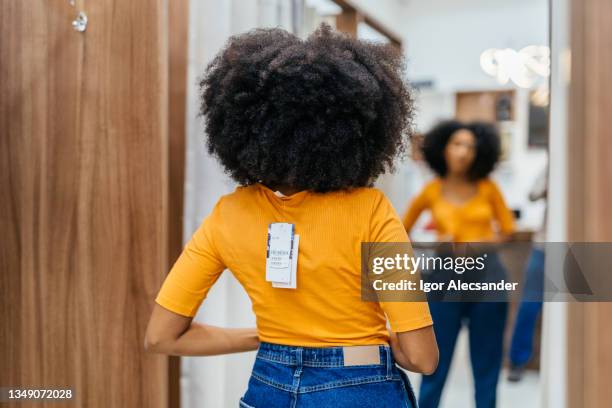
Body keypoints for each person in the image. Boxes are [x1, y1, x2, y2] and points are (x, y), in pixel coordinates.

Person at [144, 23, 438, 408]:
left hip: (268, 384)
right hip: (360, 386)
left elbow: (161, 338)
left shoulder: (228, 215)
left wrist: (266, 337)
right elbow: (422, 358)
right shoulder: (370, 209)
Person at [402, 120, 515, 408]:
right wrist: (436, 245)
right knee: (434, 366)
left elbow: (508, 232)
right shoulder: (430, 191)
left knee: (487, 369)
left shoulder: (488, 188)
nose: (464, 152)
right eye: (457, 144)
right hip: (443, 279)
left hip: (487, 277)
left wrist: (478, 244)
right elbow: (399, 232)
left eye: (471, 147)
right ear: (443, 149)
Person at [507, 165, 548, 382]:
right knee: (529, 306)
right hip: (543, 248)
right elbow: (532, 194)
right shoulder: (553, 167)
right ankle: (517, 361)